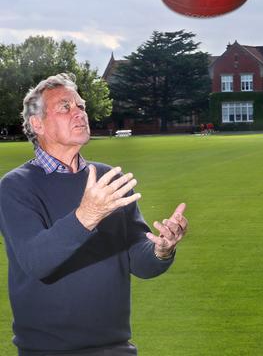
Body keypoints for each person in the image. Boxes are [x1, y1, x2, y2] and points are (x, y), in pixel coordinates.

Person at [0, 73, 188, 355]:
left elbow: (138, 261)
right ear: (36, 123)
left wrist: (161, 250)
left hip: (117, 349)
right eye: (65, 107)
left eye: (81, 106)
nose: (79, 113)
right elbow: (36, 262)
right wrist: (87, 215)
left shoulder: (106, 179)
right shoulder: (15, 186)